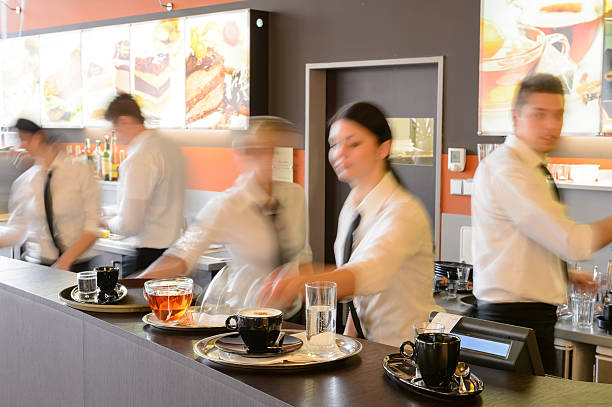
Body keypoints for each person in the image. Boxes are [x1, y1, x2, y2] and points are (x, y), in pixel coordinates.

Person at [261, 102, 442, 347]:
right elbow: (360, 297)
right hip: (371, 351)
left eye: (353, 143)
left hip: (406, 353)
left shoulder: (403, 212)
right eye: (334, 144)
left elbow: (367, 274)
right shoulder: (352, 207)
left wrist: (302, 282)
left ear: (383, 148)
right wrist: (346, 343)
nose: (339, 153)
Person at [471, 73, 612, 374]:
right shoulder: (509, 171)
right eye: (539, 115)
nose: (551, 125)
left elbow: (526, 240)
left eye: (558, 115)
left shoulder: (532, 169)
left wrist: (564, 274)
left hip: (528, 321)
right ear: (515, 117)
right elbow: (573, 242)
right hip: (513, 324)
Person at [138, 117, 311, 319]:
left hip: (292, 315)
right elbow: (181, 257)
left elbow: (302, 258)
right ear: (242, 154)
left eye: (275, 149)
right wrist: (130, 286)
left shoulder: (295, 196)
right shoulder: (227, 205)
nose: (269, 158)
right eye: (259, 150)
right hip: (244, 317)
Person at [0, 118, 100, 271]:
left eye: (23, 140)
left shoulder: (80, 170)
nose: (21, 146)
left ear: (38, 137)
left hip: (77, 267)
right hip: (41, 267)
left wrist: (65, 262)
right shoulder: (24, 182)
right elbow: (19, 229)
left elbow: (92, 227)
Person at [103, 94, 185, 277]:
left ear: (124, 121)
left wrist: (102, 222)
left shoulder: (139, 158)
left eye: (114, 128)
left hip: (147, 256)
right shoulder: (169, 147)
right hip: (172, 253)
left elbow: (131, 225)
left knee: (138, 304)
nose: (112, 134)